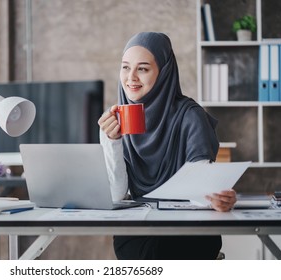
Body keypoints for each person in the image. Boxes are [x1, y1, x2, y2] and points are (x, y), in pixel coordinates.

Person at [98, 32, 237, 260]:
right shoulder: (113, 120)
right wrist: (112, 142)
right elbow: (116, 195)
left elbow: (201, 189)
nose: (130, 77)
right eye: (125, 67)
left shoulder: (190, 116)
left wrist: (220, 197)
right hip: (137, 231)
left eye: (142, 68)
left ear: (164, 73)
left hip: (189, 230)